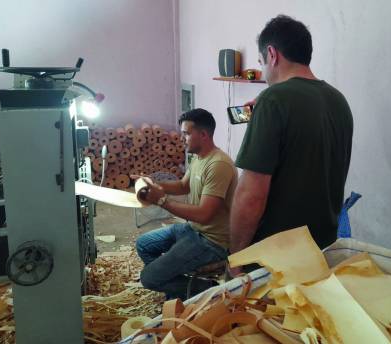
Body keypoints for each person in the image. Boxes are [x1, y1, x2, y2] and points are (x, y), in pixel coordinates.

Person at [229, 15, 353, 276]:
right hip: (322, 246)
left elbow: (250, 195)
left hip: (276, 255)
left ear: (272, 54)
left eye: (262, 63)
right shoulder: (338, 101)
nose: (263, 73)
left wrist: (237, 256)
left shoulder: (274, 100)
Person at [135, 108, 238, 299]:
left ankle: (209, 290)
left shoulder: (218, 165)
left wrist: (161, 200)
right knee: (144, 244)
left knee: (148, 278)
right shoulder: (198, 158)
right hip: (193, 230)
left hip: (211, 241)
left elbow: (204, 214)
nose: (182, 138)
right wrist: (153, 183)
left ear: (204, 134)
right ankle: (176, 287)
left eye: (186, 134)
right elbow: (183, 186)